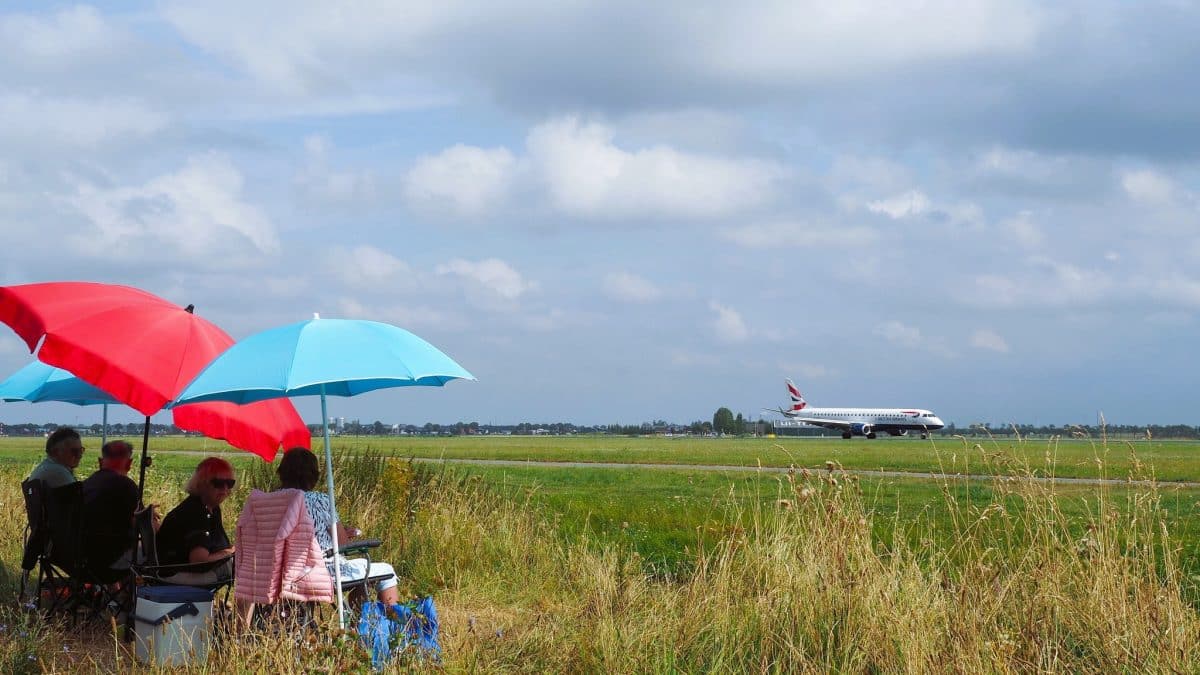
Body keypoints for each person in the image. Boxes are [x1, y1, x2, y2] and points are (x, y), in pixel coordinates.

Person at [276, 447, 400, 605]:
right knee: (386, 570)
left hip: (282, 572)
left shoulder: (271, 502)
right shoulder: (320, 500)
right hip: (322, 570)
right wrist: (344, 534)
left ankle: (361, 621)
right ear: (313, 476)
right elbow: (342, 544)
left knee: (362, 576)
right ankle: (393, 621)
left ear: (282, 473)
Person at [156, 457, 236, 585]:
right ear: (202, 484)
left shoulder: (211, 507)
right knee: (245, 567)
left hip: (177, 569)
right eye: (219, 483)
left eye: (230, 483)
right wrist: (229, 553)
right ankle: (247, 605)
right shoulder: (196, 512)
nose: (225, 489)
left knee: (242, 563)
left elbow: (219, 545)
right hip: (175, 573)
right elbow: (200, 561)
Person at [80, 440, 144, 574]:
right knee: (159, 549)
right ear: (129, 463)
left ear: (100, 461)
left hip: (81, 560)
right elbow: (142, 527)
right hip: (111, 561)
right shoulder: (126, 486)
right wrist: (149, 517)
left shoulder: (86, 484)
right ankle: (140, 593)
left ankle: (117, 592)